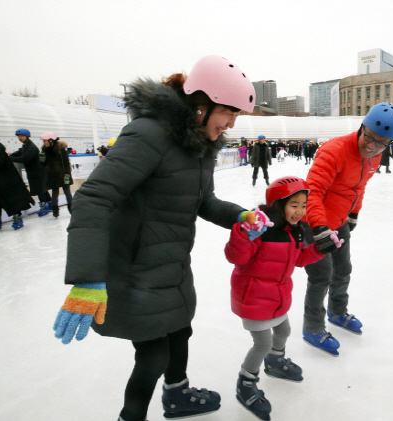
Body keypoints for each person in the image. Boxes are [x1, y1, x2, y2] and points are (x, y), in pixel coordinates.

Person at [52, 55, 257, 421]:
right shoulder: (150, 133)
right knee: (153, 354)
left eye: (237, 115)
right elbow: (95, 198)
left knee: (180, 333)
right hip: (134, 271)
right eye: (228, 111)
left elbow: (203, 202)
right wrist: (87, 279)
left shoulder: (201, 146)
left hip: (172, 268)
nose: (230, 123)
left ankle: (176, 395)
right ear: (200, 105)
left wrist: (240, 216)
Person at [302, 102, 393, 355]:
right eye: (368, 137)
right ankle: (312, 327)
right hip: (313, 223)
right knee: (321, 276)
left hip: (339, 220)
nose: (371, 146)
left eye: (381, 143)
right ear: (361, 128)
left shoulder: (375, 156)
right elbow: (312, 192)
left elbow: (358, 187)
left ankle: (337, 312)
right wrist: (320, 229)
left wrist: (354, 212)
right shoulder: (334, 151)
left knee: (343, 269)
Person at [225, 177, 330, 421]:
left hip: (277, 297)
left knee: (283, 331)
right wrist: (243, 234)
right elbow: (236, 258)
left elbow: (299, 260)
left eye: (304, 205)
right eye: (294, 205)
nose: (300, 211)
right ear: (277, 204)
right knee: (262, 343)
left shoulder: (295, 232)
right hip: (253, 297)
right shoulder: (260, 229)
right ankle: (246, 382)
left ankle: (275, 361)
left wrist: (319, 249)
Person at [9, 128, 51, 217]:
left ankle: (44, 206)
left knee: (40, 189)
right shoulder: (26, 145)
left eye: (22, 136)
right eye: (18, 136)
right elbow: (19, 152)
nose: (20, 138)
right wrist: (10, 155)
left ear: (27, 136)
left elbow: (24, 159)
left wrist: (11, 158)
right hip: (35, 171)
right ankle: (50, 204)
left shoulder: (31, 147)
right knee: (42, 188)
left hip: (37, 172)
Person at [40, 132, 74, 218]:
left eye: (45, 141)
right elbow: (43, 164)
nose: (44, 143)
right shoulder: (44, 151)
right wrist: (41, 158)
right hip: (52, 176)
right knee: (55, 193)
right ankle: (55, 211)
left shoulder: (60, 150)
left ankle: (72, 210)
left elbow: (66, 163)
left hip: (63, 175)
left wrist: (67, 175)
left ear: (51, 140)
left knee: (67, 192)